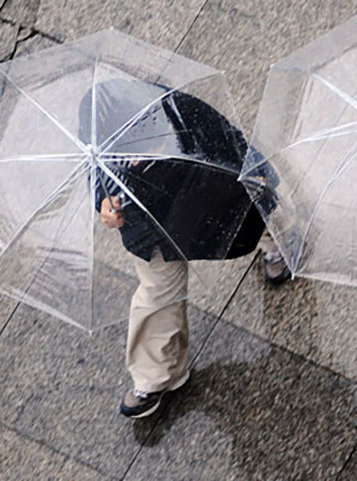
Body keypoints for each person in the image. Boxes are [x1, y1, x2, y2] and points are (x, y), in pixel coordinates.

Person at [88, 79, 264, 418]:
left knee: (253, 215)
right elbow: (94, 171)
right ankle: (155, 376)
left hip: (204, 195)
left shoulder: (182, 112)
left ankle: (278, 242)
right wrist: (104, 203)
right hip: (148, 224)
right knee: (157, 293)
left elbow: (233, 154)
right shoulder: (97, 116)